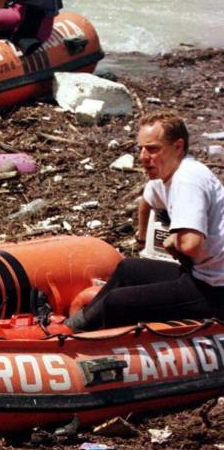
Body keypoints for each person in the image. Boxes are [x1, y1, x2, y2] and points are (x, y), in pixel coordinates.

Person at [65, 112, 224, 332]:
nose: (142, 156)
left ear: (178, 147)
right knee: (128, 268)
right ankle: (73, 326)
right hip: (198, 275)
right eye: (140, 148)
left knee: (117, 302)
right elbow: (145, 202)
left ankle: (81, 344)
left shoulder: (188, 180)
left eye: (152, 149)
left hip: (214, 290)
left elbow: (190, 244)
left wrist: (172, 240)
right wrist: (141, 239)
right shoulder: (165, 175)